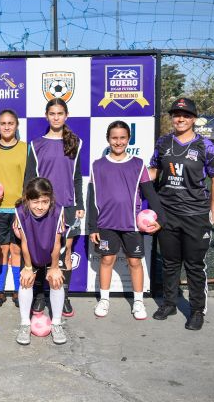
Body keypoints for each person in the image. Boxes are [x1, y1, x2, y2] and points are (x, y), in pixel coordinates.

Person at [149, 98, 214, 330]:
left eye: (186, 115)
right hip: (168, 213)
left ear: (193, 119)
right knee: (170, 263)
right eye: (176, 114)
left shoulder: (205, 146)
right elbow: (153, 171)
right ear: (172, 118)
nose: (180, 119)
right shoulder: (163, 143)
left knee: (194, 265)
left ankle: (197, 310)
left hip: (195, 215)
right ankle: (169, 303)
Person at [88, 121, 167, 320]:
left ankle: (138, 301)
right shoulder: (98, 165)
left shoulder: (138, 164)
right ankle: (104, 299)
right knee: (107, 260)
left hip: (132, 224)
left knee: (134, 261)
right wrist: (93, 226)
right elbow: (92, 197)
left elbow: (150, 192)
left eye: (122, 137)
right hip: (106, 224)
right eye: (114, 138)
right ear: (108, 139)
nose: (118, 141)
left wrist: (162, 219)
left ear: (128, 139)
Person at [26, 98, 84, 317]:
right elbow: (30, 179)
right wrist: (27, 206)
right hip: (43, 206)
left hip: (67, 206)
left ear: (66, 116)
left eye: (60, 113)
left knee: (65, 251)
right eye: (52, 113)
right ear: (47, 116)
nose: (56, 117)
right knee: (41, 251)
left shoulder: (75, 143)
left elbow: (77, 177)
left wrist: (78, 203)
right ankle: (40, 296)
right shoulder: (36, 144)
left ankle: (64, 296)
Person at [14, 177, 67, 346]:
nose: (40, 206)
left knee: (55, 280)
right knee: (26, 280)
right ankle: (24, 323)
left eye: (44, 202)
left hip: (52, 249)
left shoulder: (58, 211)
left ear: (50, 200)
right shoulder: (21, 211)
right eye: (35, 201)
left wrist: (54, 268)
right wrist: (28, 267)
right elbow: (24, 242)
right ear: (27, 200)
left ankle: (57, 323)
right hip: (31, 248)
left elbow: (57, 243)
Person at [0, 109, 30, 308]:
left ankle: (18, 292)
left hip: (19, 209)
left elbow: (30, 178)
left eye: (10, 123)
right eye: (3, 123)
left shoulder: (25, 148)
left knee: (17, 250)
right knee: (0, 251)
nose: (7, 127)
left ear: (17, 125)